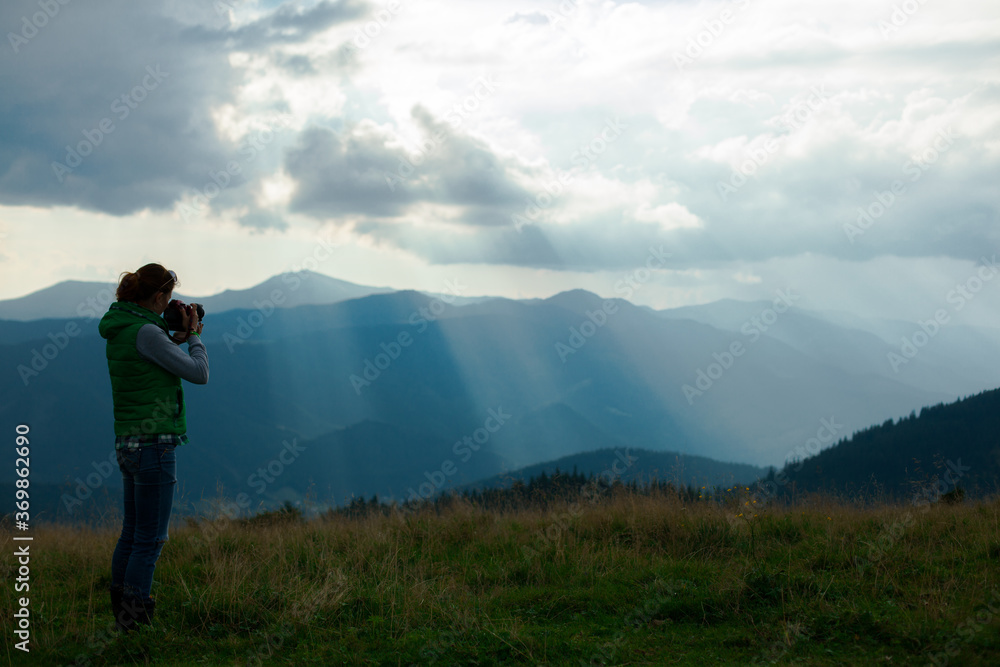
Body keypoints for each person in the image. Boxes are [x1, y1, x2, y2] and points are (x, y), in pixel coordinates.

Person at [97, 263, 208, 632]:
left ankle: (120, 610)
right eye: (168, 298)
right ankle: (135, 619)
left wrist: (171, 340)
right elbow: (198, 373)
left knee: (132, 532)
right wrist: (194, 337)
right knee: (151, 538)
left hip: (127, 442)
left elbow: (148, 357)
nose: (170, 305)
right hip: (154, 447)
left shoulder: (123, 328)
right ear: (159, 296)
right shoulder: (148, 331)